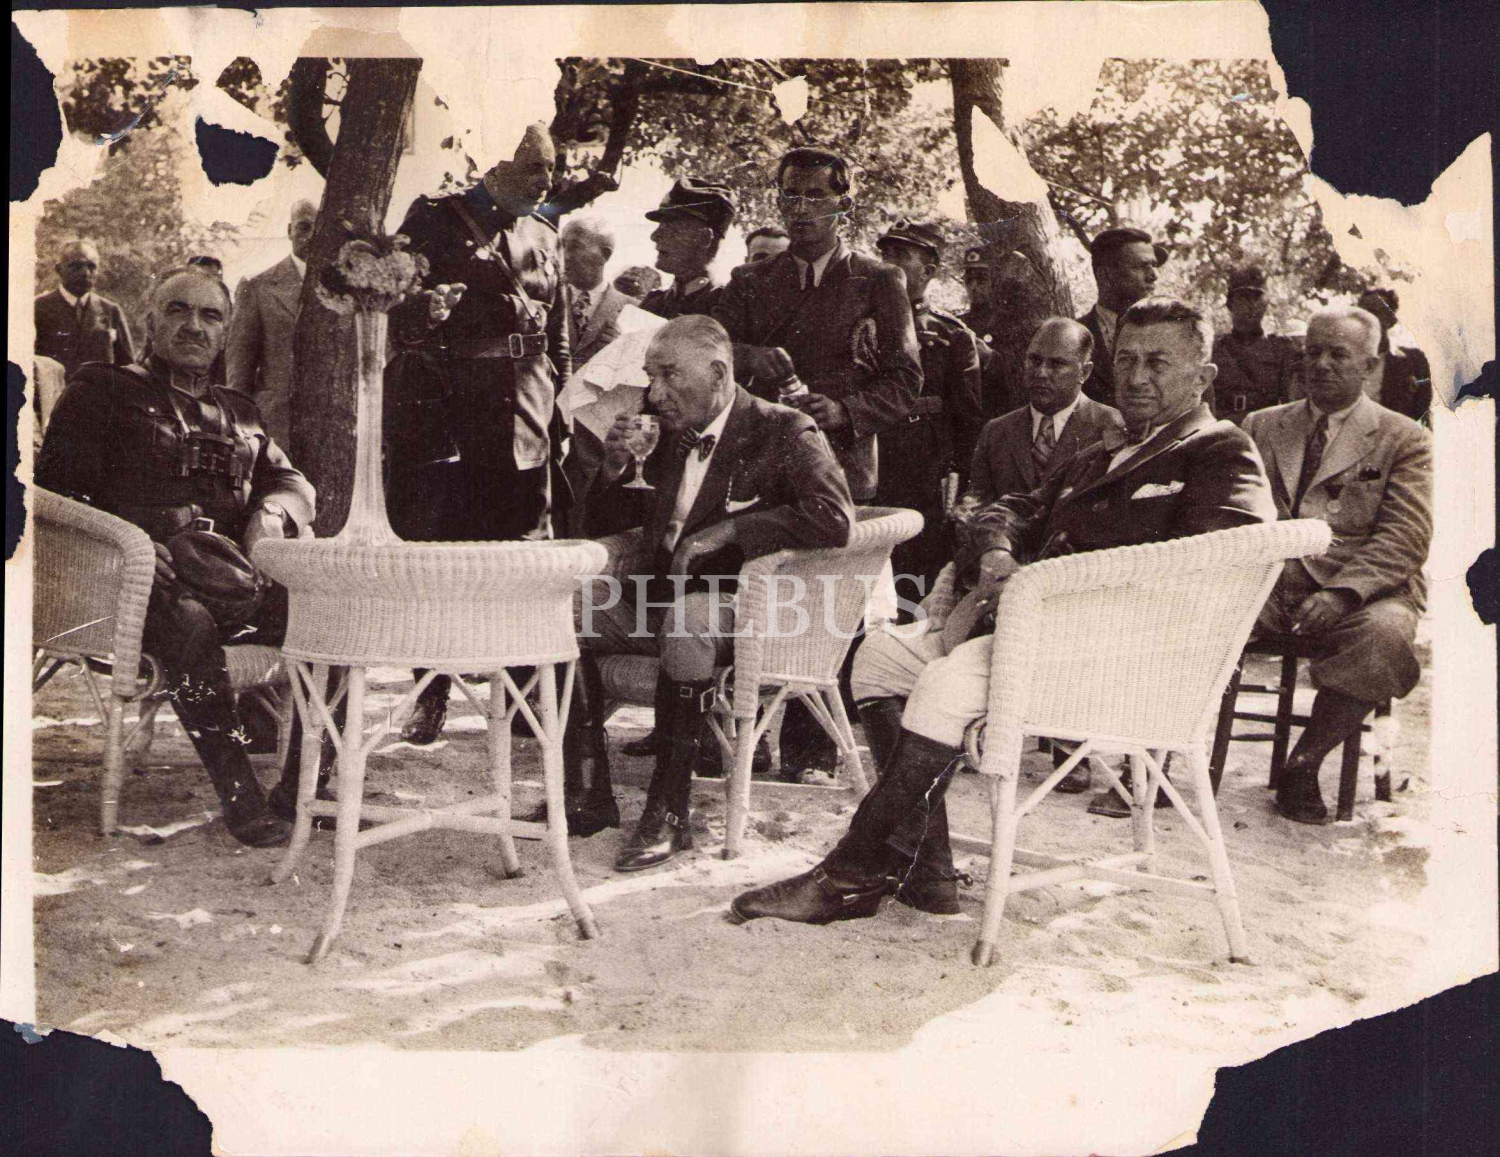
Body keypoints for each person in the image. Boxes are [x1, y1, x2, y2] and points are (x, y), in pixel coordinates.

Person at [731, 297, 1276, 925]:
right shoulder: (1106, 447)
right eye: (1127, 360)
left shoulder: (1221, 451)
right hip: (1035, 634)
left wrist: (1046, 587)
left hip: (1123, 661)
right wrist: (995, 550)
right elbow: (1013, 506)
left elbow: (1216, 569)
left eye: (1158, 363)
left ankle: (848, 874)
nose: (1136, 377)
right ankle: (929, 870)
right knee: (878, 659)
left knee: (943, 686)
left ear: (1203, 377)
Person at [36, 264, 321, 849]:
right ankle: (241, 796)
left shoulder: (241, 410)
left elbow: (294, 483)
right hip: (132, 586)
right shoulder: (103, 389)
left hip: (229, 581)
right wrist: (132, 543)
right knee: (189, 623)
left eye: (210, 315)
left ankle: (302, 792)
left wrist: (271, 514)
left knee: (336, 619)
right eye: (178, 310)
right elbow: (54, 496)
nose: (195, 326)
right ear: (149, 319)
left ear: (225, 332)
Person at [578, 316, 855, 872]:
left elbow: (836, 517)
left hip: (746, 606)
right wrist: (612, 469)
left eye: (669, 375)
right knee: (565, 608)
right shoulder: (667, 430)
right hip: (660, 598)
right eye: (650, 376)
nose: (655, 392)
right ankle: (588, 792)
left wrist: (731, 531)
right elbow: (613, 530)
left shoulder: (784, 428)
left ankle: (668, 812)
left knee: (690, 619)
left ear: (719, 373)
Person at [713, 146, 922, 782]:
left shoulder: (878, 280)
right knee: (749, 590)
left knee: (823, 601)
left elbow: (906, 379)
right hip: (762, 461)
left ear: (843, 205)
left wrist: (846, 411)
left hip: (838, 461)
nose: (800, 210)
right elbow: (713, 350)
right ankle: (738, 737)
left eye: (814, 197)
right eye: (789, 197)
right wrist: (751, 357)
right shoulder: (752, 281)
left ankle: (811, 751)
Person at [387, 121, 571, 745]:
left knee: (523, 557)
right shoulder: (437, 218)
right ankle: (430, 690)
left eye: (550, 170)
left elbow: (557, 334)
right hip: (453, 413)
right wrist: (425, 310)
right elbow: (397, 310)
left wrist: (560, 407)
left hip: (528, 415)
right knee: (442, 558)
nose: (545, 181)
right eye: (533, 168)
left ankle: (518, 697)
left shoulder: (544, 232)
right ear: (494, 163)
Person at [1242, 306, 1432, 825]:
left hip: (1366, 590)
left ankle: (1304, 762)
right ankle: (1159, 761)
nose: (1320, 364)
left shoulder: (1404, 438)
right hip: (1273, 582)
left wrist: (1342, 593)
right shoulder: (1261, 426)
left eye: (1337, 354)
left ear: (1369, 366)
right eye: (1312, 353)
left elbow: (1405, 536)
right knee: (1193, 612)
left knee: (1386, 636)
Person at [872, 217, 984, 591]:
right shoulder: (859, 323)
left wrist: (963, 486)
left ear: (929, 271)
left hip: (924, 466)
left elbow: (968, 419)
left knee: (918, 574)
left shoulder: (951, 334)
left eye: (901, 255)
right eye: (885, 254)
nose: (888, 264)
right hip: (871, 458)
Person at [965, 317, 1123, 505]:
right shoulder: (995, 431)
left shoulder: (1114, 426)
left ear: (1084, 372)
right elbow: (976, 502)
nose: (1041, 373)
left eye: (1057, 364)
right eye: (1034, 360)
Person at [225, 199, 319, 447]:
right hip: (276, 427)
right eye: (304, 227)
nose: (311, 235)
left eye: (319, 228)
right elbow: (239, 371)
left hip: (331, 430)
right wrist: (242, 431)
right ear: (289, 230)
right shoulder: (259, 287)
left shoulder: (346, 286)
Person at [1078, 225, 1167, 405]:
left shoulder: (1174, 333)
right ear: (1105, 275)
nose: (1153, 275)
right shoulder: (1074, 336)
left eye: (1154, 265)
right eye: (1141, 267)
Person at [1209, 265, 1299, 424]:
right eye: (1244, 297)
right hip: (1220, 430)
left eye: (1257, 297)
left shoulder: (1281, 350)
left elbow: (1291, 407)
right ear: (1230, 303)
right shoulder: (1213, 349)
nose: (1251, 304)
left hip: (1263, 430)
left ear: (1266, 303)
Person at [35, 239, 136, 378]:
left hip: (99, 391)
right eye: (76, 266)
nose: (85, 273)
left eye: (92, 267)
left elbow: (127, 367)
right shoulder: (38, 309)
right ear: (58, 269)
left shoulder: (111, 311)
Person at [639, 177, 737, 320]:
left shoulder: (727, 309)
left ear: (704, 239)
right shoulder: (653, 304)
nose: (654, 236)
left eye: (671, 229)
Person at [560, 215, 634, 366]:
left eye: (575, 246)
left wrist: (625, 351)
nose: (564, 255)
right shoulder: (545, 302)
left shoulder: (633, 309)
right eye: (562, 246)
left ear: (605, 255)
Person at [1356, 288, 1433, 423]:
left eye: (1377, 311)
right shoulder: (1344, 359)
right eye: (1364, 313)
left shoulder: (1414, 361)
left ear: (1391, 319)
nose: (1370, 318)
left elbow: (1422, 412)